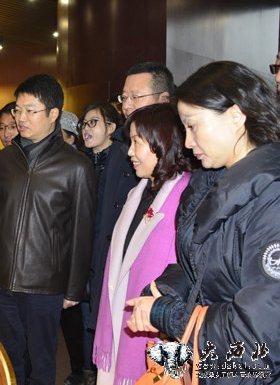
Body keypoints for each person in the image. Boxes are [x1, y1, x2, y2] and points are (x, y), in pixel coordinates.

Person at [127, 61, 280, 383]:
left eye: (193, 126)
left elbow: (260, 333)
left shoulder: (272, 199)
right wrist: (169, 287)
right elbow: (206, 263)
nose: (187, 142)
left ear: (236, 116)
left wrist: (170, 315)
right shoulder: (212, 180)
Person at [0, 74, 96, 384]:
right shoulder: (5, 159)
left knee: (42, 362)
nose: (21, 118)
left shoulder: (76, 166)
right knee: (6, 358)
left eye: (30, 110)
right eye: (18, 110)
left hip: (45, 284)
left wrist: (74, 288)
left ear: (53, 113)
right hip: (2, 279)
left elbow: (82, 232)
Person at [93, 103, 192, 384]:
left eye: (137, 142)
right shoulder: (138, 192)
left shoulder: (186, 197)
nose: (129, 152)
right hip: (123, 313)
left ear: (162, 142)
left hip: (162, 328)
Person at [59, 102, 135, 385]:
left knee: (106, 317)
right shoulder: (81, 161)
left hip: (110, 253)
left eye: (94, 123)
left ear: (111, 128)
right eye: (84, 124)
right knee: (84, 317)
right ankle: (88, 371)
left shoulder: (126, 160)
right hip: (84, 252)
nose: (86, 129)